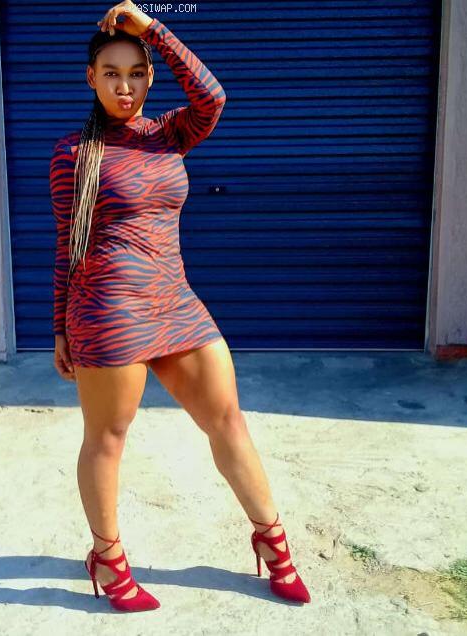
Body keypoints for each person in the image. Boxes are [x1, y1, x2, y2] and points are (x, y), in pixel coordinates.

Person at [49, 1, 311, 612]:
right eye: (111, 73)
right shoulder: (73, 153)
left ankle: (272, 541)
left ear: (149, 78)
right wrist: (59, 327)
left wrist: (152, 29)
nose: (125, 86)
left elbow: (212, 97)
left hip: (175, 301)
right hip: (108, 310)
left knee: (228, 422)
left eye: (135, 73)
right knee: (108, 438)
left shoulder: (169, 132)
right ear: (91, 79)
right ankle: (108, 557)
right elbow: (67, 243)